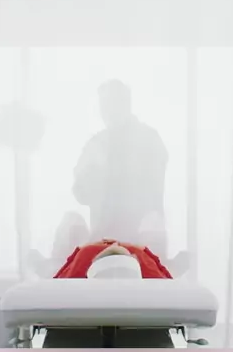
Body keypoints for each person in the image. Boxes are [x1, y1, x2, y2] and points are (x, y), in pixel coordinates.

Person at [72, 80, 168, 249]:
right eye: (103, 105)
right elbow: (80, 193)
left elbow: (153, 188)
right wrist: (92, 174)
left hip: (142, 240)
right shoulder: (96, 144)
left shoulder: (149, 139)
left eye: (112, 103)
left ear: (126, 104)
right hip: (103, 239)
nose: (107, 111)